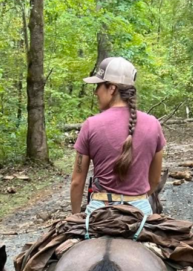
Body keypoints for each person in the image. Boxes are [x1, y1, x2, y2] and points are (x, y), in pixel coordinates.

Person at [71, 57, 166, 216]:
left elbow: (76, 182)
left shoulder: (91, 124)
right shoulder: (153, 124)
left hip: (100, 209)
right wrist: (135, 197)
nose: (95, 92)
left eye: (98, 86)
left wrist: (74, 217)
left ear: (112, 88)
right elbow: (155, 181)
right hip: (140, 210)